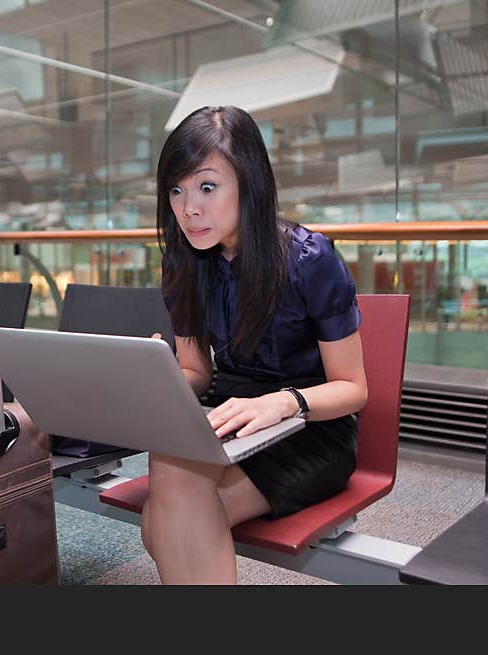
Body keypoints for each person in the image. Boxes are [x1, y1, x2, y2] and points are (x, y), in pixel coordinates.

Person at [143, 106, 367, 584]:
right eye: (176, 191)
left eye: (207, 186)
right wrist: (153, 377)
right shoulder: (184, 263)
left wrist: (284, 403)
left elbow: (353, 388)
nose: (189, 208)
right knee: (171, 479)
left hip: (309, 427)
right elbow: (197, 373)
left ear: (250, 182)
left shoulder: (309, 258)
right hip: (229, 420)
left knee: (165, 520)